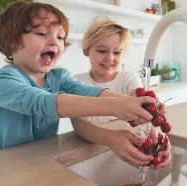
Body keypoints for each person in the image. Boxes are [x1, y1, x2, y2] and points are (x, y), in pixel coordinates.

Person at [0, 2, 158, 186]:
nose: (54, 41)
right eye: (42, 33)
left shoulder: (59, 77)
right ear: (13, 41)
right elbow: (43, 102)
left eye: (60, 37)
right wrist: (118, 107)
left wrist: (137, 103)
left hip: (25, 170)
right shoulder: (0, 81)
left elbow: (88, 92)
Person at [73, 19, 172, 168]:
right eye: (102, 51)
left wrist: (157, 136)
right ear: (86, 50)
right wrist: (110, 138)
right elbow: (81, 125)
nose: (110, 58)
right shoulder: (75, 83)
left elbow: (143, 108)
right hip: (91, 152)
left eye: (117, 52)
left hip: (125, 148)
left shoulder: (128, 78)